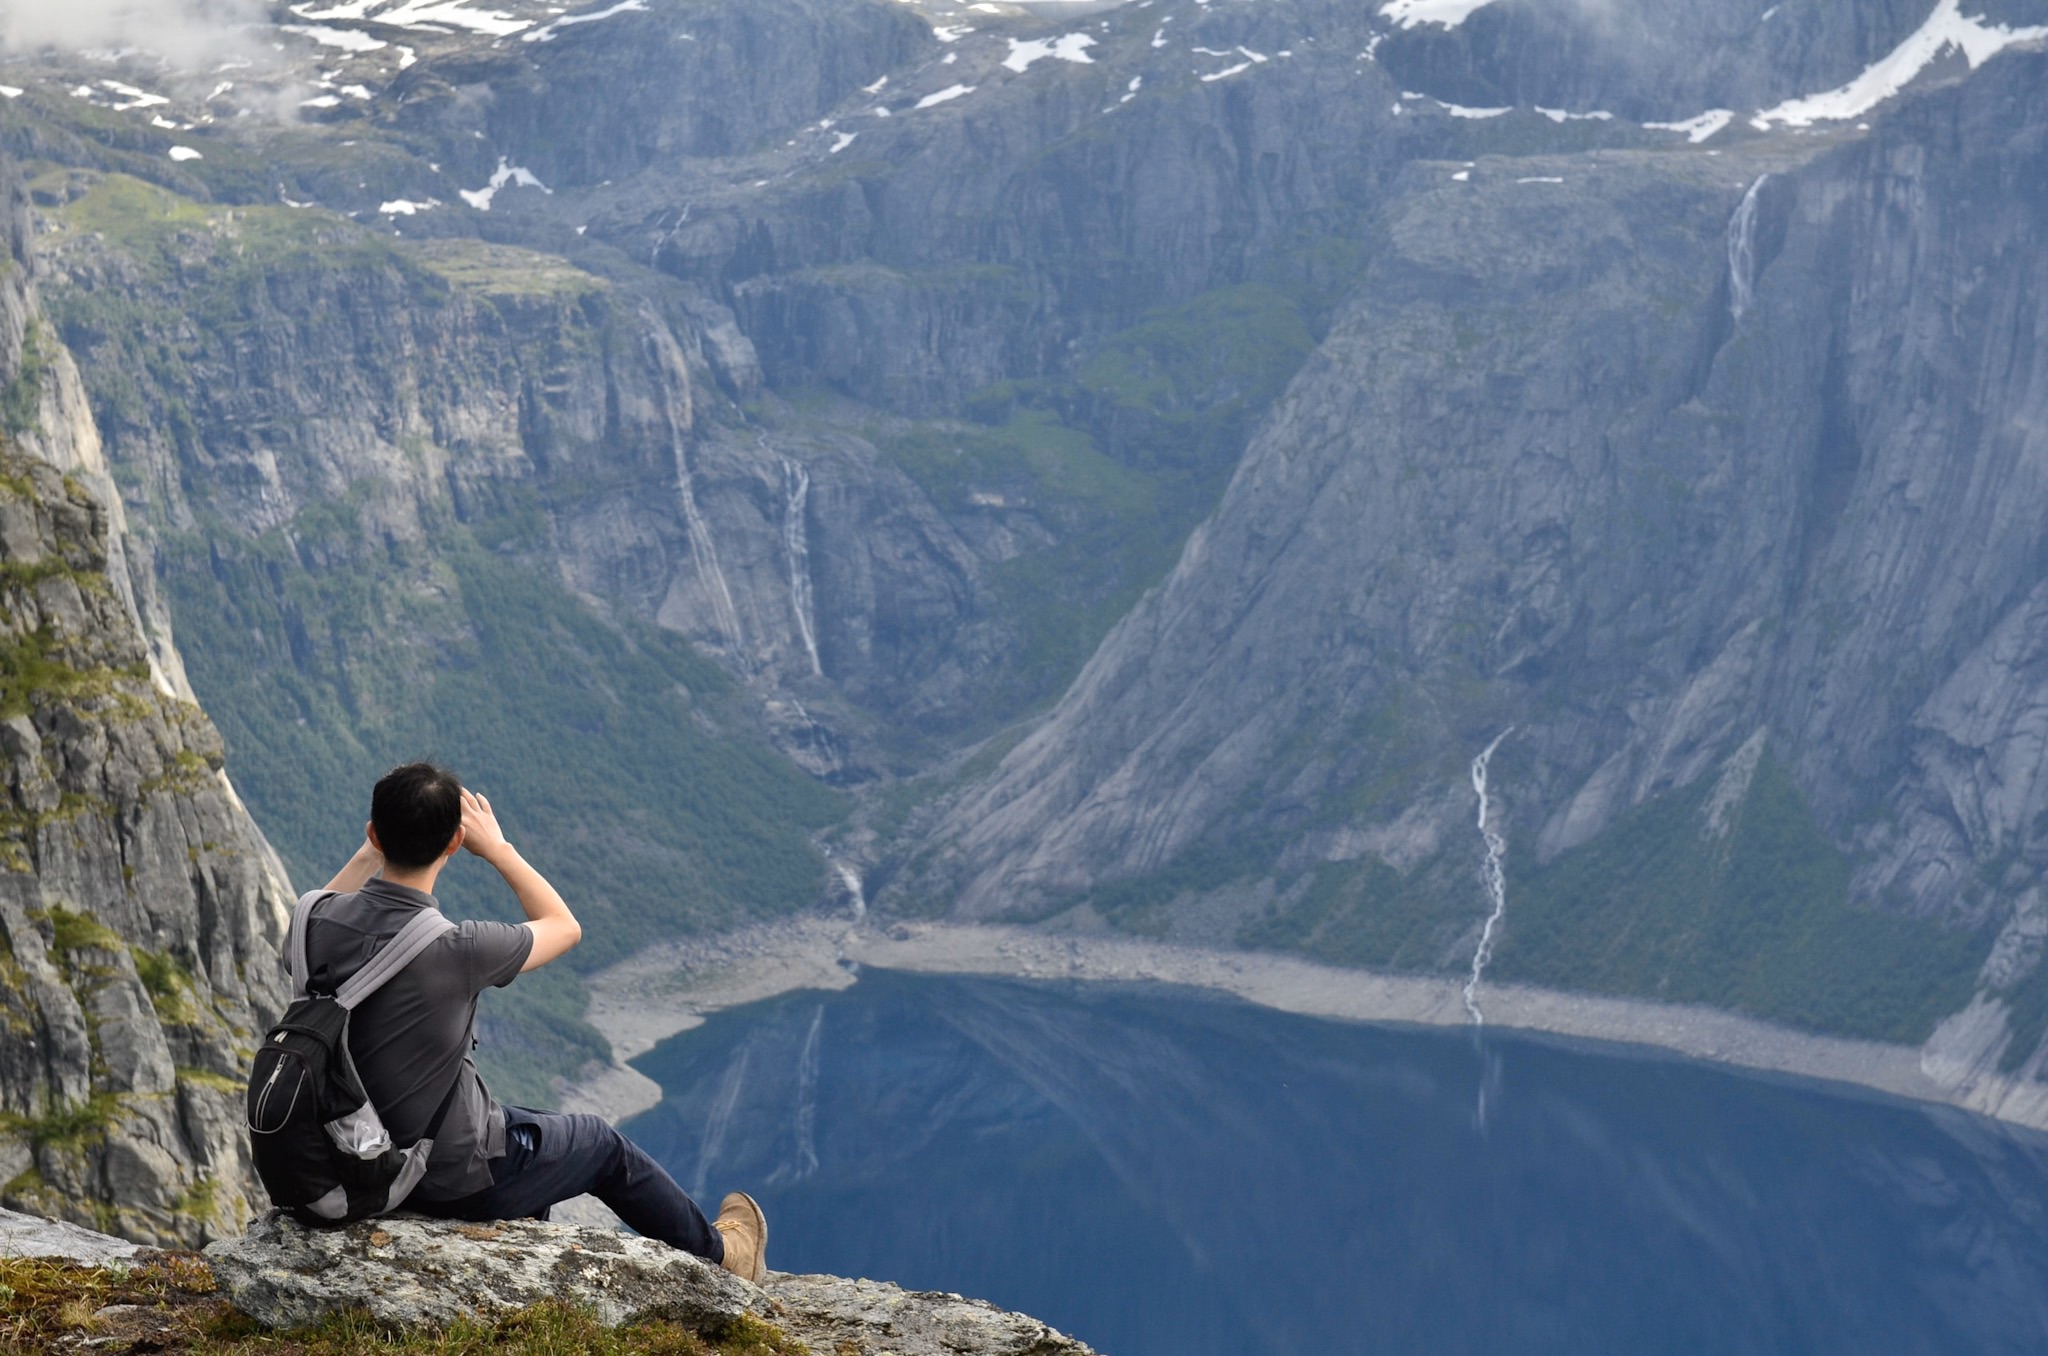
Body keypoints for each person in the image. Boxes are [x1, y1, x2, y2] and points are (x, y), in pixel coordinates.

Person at [294, 761, 767, 1280]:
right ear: (454, 843)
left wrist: (373, 849)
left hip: (349, 1151)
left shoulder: (313, 924)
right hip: (440, 1175)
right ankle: (724, 1258)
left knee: (526, 1123)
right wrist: (497, 849)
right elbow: (564, 927)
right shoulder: (457, 947)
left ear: (373, 834)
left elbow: (323, 902)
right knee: (599, 1143)